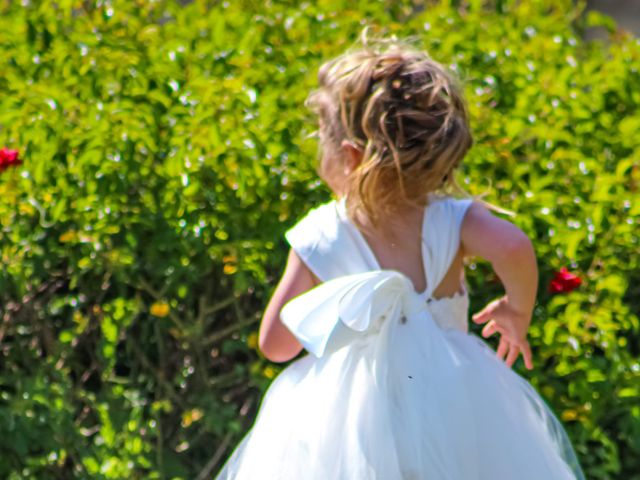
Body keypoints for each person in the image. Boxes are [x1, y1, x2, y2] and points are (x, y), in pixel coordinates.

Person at [216, 31, 585, 479]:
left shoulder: (322, 235)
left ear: (350, 157)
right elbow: (513, 246)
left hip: (350, 421)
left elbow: (276, 344)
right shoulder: (453, 218)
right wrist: (516, 309)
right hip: (454, 399)